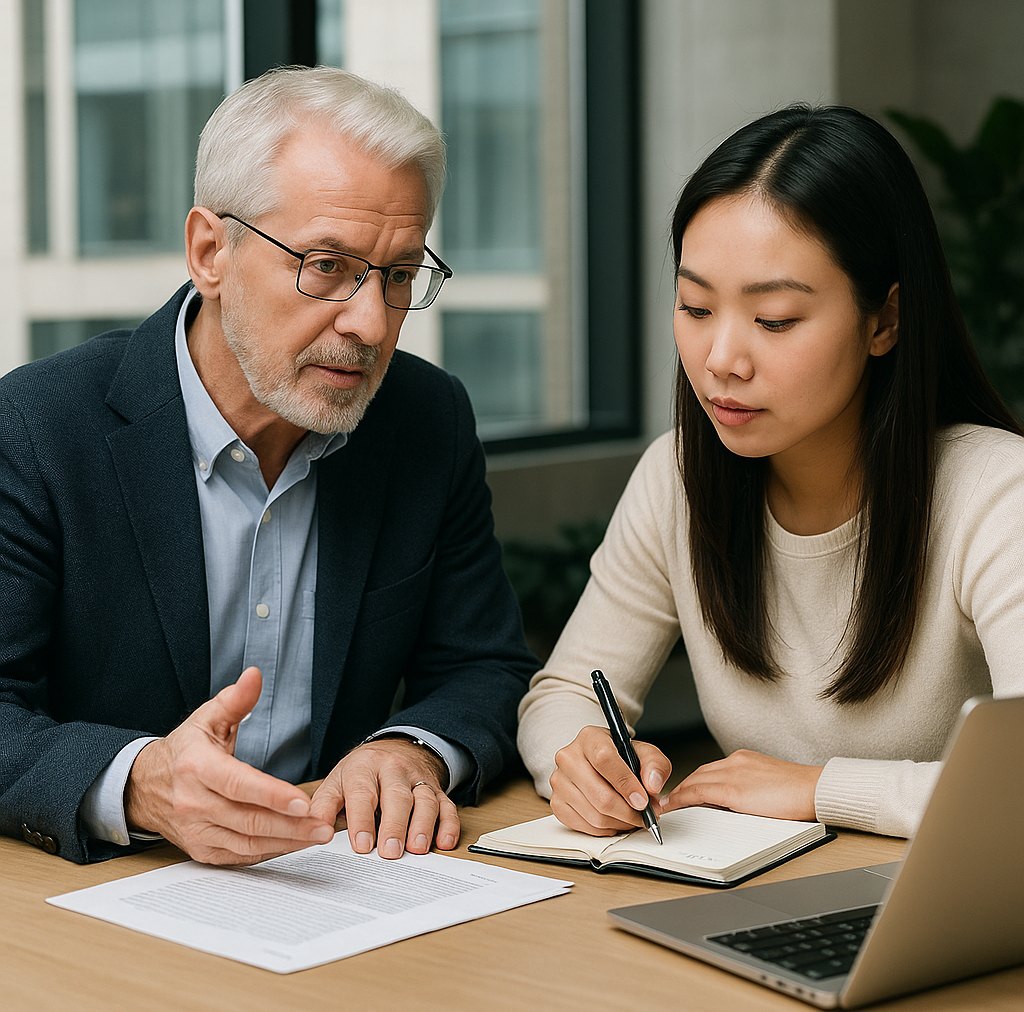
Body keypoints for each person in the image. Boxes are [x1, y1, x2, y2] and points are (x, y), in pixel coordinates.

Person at [0, 66, 539, 866]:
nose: (370, 323)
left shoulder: (427, 419)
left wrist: (410, 749)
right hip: (107, 899)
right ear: (210, 252)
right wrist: (139, 782)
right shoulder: (39, 428)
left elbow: (483, 664)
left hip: (346, 885)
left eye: (397, 277)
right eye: (326, 266)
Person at [518, 104, 1024, 840]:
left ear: (885, 320)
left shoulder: (995, 495)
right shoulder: (679, 479)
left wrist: (821, 789)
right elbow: (564, 691)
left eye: (775, 319)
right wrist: (582, 760)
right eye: (694, 306)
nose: (721, 358)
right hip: (761, 897)